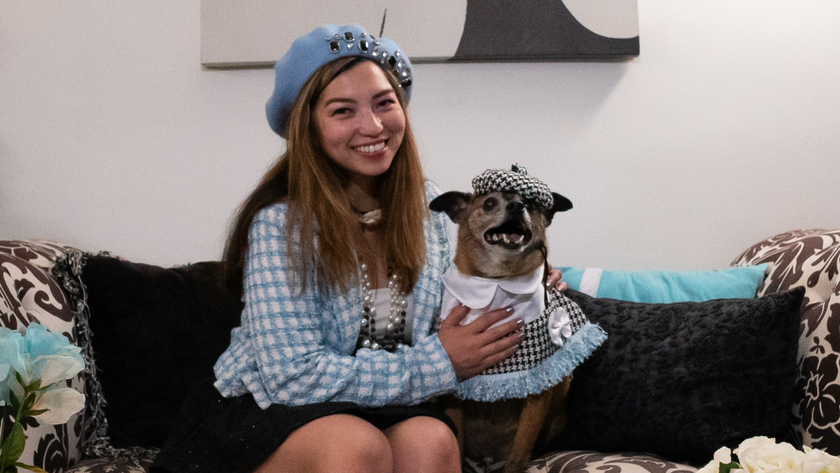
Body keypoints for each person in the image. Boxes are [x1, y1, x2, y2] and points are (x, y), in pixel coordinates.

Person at [152, 23, 564, 473]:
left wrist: (523, 283)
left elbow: (464, 291)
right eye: (343, 110)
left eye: (385, 103)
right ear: (307, 128)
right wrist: (439, 362)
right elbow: (294, 377)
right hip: (270, 409)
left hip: (386, 405)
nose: (372, 126)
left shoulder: (428, 212)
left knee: (431, 441)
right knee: (357, 447)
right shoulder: (280, 226)